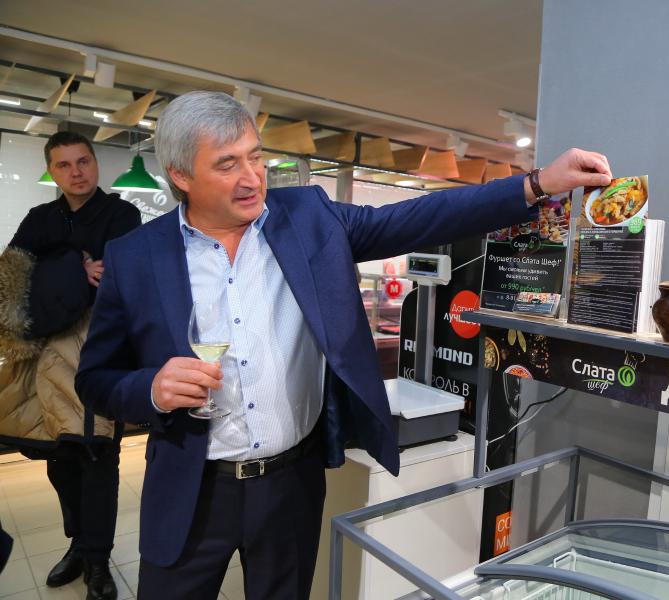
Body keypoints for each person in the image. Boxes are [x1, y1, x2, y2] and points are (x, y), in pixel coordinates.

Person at [75, 91, 612, 600]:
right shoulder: (135, 257)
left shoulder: (309, 218)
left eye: (255, 156)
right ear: (180, 175)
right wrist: (151, 389)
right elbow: (96, 379)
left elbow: (417, 218)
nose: (251, 177)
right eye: (227, 164)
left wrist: (537, 183)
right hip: (190, 489)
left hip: (289, 486)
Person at [0, 131, 142, 600]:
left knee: (98, 457)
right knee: (59, 458)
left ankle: (98, 561)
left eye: (83, 161)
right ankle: (78, 545)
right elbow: (9, 280)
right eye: (64, 165)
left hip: (100, 354)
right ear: (52, 171)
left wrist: (55, 270)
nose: (76, 172)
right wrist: (75, 269)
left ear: (95, 163)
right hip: (44, 358)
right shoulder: (39, 218)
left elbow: (123, 280)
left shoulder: (122, 215)